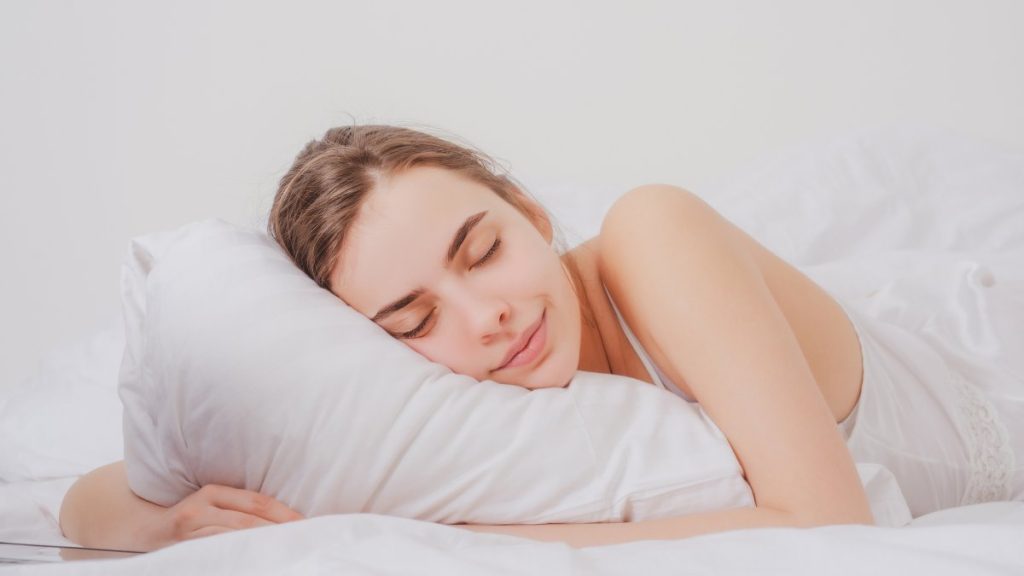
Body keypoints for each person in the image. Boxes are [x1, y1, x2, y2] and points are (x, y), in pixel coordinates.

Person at [60, 124, 1019, 551]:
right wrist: (160, 524)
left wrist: (466, 537)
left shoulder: (653, 236)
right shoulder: (421, 406)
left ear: (529, 212)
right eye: (416, 320)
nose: (487, 316)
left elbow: (828, 523)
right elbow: (86, 499)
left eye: (483, 251)